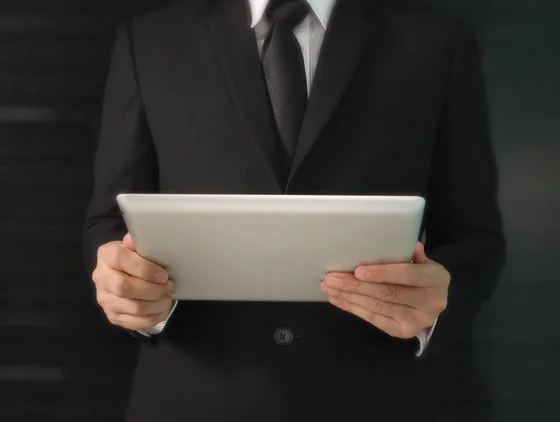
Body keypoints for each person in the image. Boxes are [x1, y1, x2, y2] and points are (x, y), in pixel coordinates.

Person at [82, 0, 506, 421]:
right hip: (192, 398)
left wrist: (436, 303)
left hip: (378, 398)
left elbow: (474, 235)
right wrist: (124, 283)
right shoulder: (151, 41)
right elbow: (109, 221)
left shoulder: (436, 42)